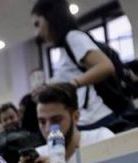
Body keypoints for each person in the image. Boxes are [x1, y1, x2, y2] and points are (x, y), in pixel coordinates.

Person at [31, 0, 119, 131]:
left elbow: (105, 66)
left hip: (97, 118)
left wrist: (72, 84)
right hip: (87, 120)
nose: (37, 33)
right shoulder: (64, 49)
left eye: (37, 24)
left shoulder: (73, 37)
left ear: (50, 17)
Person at [9, 83, 114, 163]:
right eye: (42, 122)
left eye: (56, 120)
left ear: (76, 117)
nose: (48, 129)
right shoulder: (37, 159)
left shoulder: (101, 139)